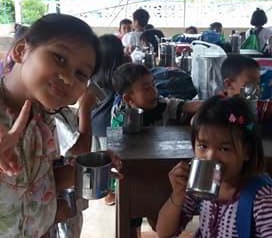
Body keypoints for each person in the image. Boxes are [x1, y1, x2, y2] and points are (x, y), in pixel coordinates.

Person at [0, 13, 121, 237]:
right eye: (59, 58)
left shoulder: (44, 118)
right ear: (20, 51)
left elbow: (43, 180)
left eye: (80, 74)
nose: (67, 78)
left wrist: (89, 170)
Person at [156, 96, 272, 237]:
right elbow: (164, 233)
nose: (210, 157)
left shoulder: (260, 198)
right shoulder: (200, 188)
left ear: (246, 151)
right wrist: (177, 195)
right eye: (203, 146)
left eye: (224, 149)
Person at [111, 62, 202, 237]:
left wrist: (215, 103)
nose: (154, 91)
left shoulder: (163, 105)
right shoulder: (120, 114)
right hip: (133, 174)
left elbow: (188, 105)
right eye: (146, 88)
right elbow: (116, 146)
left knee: (159, 221)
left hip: (162, 174)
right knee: (131, 220)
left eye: (153, 84)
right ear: (128, 98)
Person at [91, 34, 126, 206]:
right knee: (112, 159)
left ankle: (102, 190)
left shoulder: (93, 76)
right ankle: (111, 192)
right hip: (112, 126)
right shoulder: (119, 78)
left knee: (98, 159)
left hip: (92, 123)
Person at [221, 54, 272, 121]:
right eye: (250, 83)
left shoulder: (253, 104)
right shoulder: (217, 109)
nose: (257, 88)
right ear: (229, 84)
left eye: (258, 83)